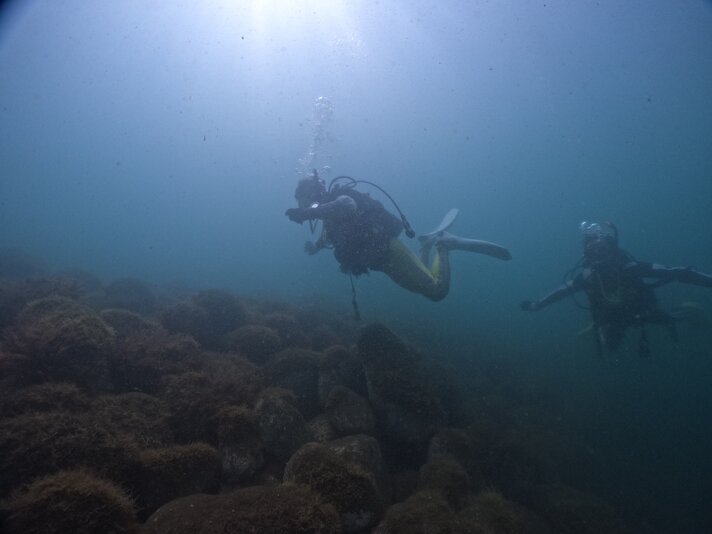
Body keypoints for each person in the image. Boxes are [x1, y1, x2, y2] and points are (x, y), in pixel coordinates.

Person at [285, 171, 511, 303]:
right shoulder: (328, 217)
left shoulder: (338, 197)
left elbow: (347, 205)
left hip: (389, 251)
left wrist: (306, 213)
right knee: (426, 290)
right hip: (381, 261)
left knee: (436, 291)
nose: (304, 207)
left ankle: (444, 244)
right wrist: (315, 247)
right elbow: (329, 237)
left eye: (304, 202)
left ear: (312, 194)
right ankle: (427, 245)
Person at [520, 221, 712, 357]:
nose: (598, 255)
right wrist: (537, 305)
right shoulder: (587, 277)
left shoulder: (631, 267)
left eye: (602, 250)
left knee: (670, 319)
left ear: (612, 249)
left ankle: (686, 311)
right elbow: (562, 291)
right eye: (592, 252)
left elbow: (676, 272)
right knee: (610, 346)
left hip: (642, 312)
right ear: (586, 255)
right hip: (612, 318)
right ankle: (598, 326)